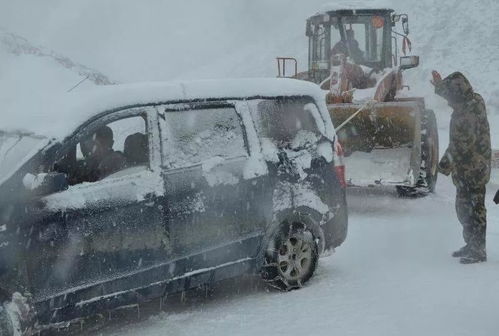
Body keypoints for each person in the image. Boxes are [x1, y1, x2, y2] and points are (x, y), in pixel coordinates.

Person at [433, 71, 491, 264]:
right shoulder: (471, 101)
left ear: (457, 96)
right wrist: (440, 86)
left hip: (474, 169)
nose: (448, 103)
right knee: (463, 208)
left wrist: (442, 166)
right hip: (466, 168)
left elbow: (460, 144)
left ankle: (478, 249)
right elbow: (457, 90)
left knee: (475, 210)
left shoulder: (467, 114)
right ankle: (470, 243)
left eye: (450, 98)